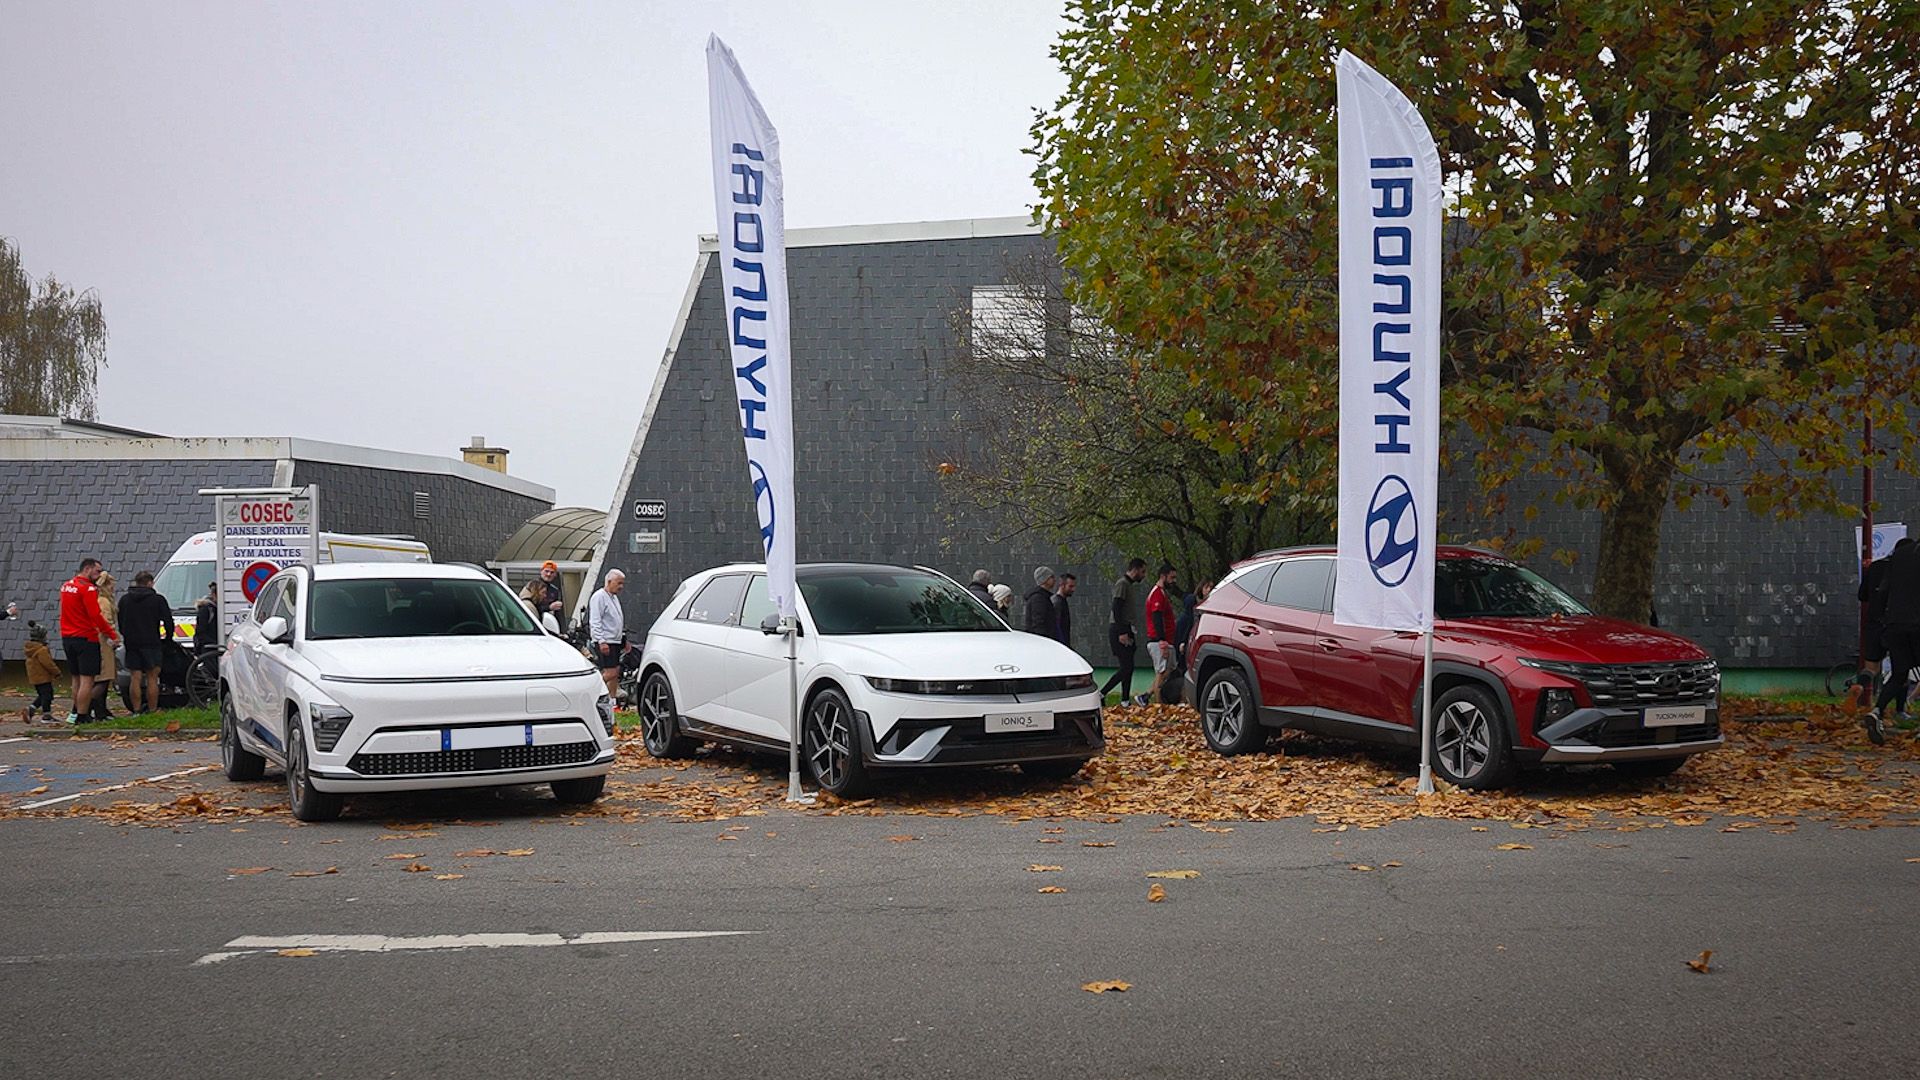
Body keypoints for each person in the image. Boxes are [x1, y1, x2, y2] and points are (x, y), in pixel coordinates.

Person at [1870, 538, 1920, 742]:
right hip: (1917, 623)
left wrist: (1883, 619)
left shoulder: (1899, 555)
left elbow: (1883, 590)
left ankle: (1876, 711)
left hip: (1895, 624)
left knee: (1899, 674)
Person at [58, 558, 119, 725]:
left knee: (76, 679)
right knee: (87, 680)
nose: (99, 575)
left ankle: (75, 712)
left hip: (67, 637)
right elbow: (96, 615)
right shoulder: (88, 588)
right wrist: (112, 634)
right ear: (87, 569)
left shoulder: (66, 586)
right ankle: (82, 715)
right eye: (97, 571)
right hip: (86, 637)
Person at [118, 570, 174, 715]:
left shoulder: (125, 600)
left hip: (132, 644)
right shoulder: (157, 600)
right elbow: (168, 621)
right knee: (152, 677)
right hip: (152, 642)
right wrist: (167, 639)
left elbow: (121, 622)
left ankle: (136, 710)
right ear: (150, 583)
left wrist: (127, 636)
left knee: (135, 677)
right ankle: (153, 709)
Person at [1099, 558, 1147, 704]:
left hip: (1126, 628)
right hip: (1120, 629)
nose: (1144, 575)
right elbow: (1116, 607)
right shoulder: (1122, 584)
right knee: (1126, 667)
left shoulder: (1128, 585)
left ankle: (1125, 700)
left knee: (1128, 667)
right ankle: (1102, 693)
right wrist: (1122, 632)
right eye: (1142, 571)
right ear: (1135, 569)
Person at [1140, 563, 1180, 706]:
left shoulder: (1162, 593)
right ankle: (1158, 705)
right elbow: (1157, 617)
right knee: (1161, 672)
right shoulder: (1157, 594)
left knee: (1169, 670)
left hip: (1165, 640)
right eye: (1172, 577)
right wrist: (1162, 640)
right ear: (1163, 576)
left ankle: (1146, 696)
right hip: (1159, 641)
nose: (1174, 581)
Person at [588, 568, 628, 699]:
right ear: (609, 581)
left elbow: (616, 620)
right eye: (619, 583)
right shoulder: (599, 597)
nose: (621, 587)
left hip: (615, 640)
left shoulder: (614, 598)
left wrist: (623, 639)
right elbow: (595, 620)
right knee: (610, 672)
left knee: (616, 672)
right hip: (606, 640)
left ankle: (612, 699)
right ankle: (590, 689)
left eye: (622, 583)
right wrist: (601, 640)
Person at [23, 621, 59, 723]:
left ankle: (31, 709)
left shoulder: (30, 649)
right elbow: (48, 663)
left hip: (35, 677)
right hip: (43, 677)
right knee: (47, 695)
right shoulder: (41, 650)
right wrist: (56, 672)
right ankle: (46, 715)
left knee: (44, 695)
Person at [520, 561, 566, 629]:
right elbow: (527, 607)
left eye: (552, 572)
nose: (548, 574)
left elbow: (558, 614)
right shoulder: (532, 585)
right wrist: (549, 607)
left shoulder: (555, 590)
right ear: (541, 571)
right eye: (546, 571)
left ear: (555, 574)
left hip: (548, 625)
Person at [1023, 566, 1058, 636]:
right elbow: (1038, 623)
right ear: (1045, 579)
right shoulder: (1038, 598)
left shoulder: (1043, 597)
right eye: (1051, 577)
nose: (1055, 580)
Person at [193, 581, 219, 653]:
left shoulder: (216, 608)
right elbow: (200, 632)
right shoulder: (206, 609)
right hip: (208, 649)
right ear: (214, 594)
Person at [1052, 573, 1077, 648]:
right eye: (1070, 586)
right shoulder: (1058, 603)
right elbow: (1057, 626)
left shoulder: (1061, 601)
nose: (1073, 589)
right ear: (1062, 586)